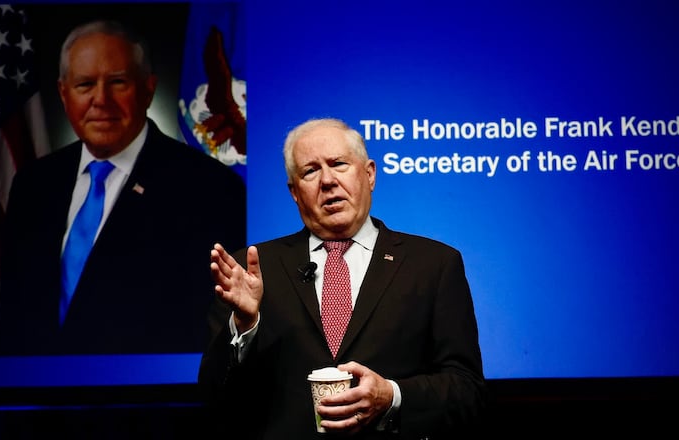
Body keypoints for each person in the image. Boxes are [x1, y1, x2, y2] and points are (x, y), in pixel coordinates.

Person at [199, 118, 488, 438]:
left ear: (369, 174)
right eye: (310, 171)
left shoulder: (434, 264)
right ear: (294, 192)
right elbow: (214, 395)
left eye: (339, 164)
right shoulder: (250, 269)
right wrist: (245, 325)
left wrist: (391, 396)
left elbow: (467, 392)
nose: (327, 181)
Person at [0, 19, 246, 355]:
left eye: (118, 82)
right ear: (63, 93)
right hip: (36, 399)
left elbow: (214, 329)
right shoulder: (33, 185)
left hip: (153, 399)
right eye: (85, 84)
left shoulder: (209, 188)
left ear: (148, 89)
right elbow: (14, 318)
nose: (101, 100)